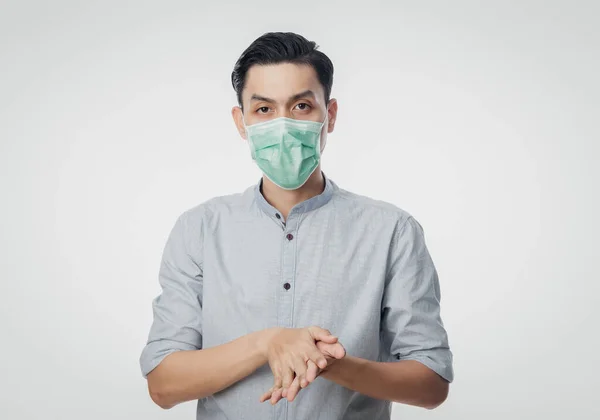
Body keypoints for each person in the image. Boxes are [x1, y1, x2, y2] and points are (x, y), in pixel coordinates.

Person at [139, 31, 454, 419]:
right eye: (264, 110)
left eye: (302, 106)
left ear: (330, 115)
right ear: (241, 122)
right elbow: (163, 386)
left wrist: (328, 363)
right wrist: (265, 344)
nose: (284, 126)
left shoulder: (393, 231)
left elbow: (432, 384)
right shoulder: (199, 230)